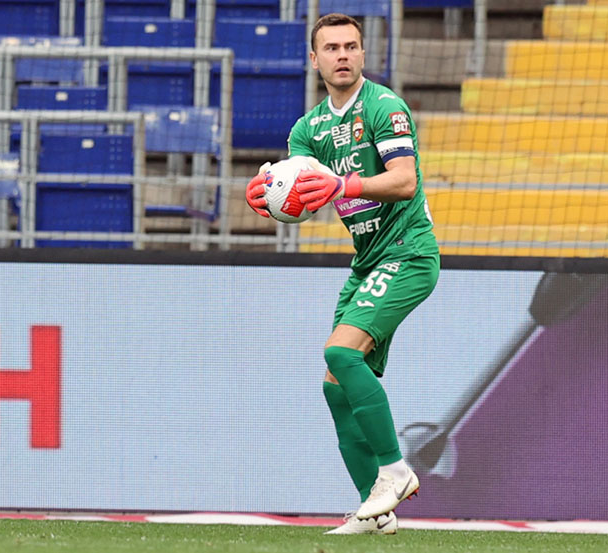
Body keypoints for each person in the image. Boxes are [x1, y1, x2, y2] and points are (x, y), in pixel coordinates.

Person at [244, 13, 440, 535]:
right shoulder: (307, 129)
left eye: (351, 46)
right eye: (331, 48)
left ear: (362, 53)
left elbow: (404, 181)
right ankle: (373, 514)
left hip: (407, 252)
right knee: (336, 386)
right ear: (315, 59)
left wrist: (344, 186)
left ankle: (395, 470)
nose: (343, 55)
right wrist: (267, 192)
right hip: (368, 261)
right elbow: (301, 193)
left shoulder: (384, 107)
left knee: (340, 354)